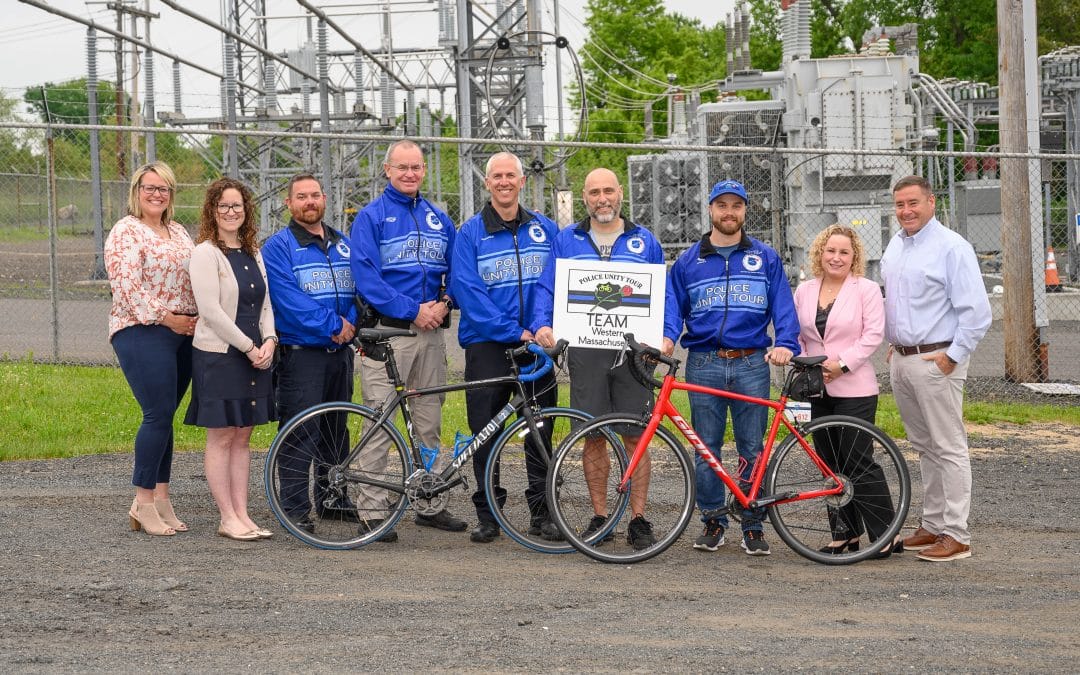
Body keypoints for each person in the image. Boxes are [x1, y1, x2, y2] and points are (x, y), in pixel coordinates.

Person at [662, 179, 798, 556]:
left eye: (736, 206)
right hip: (703, 362)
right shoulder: (689, 261)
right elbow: (673, 310)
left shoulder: (765, 257)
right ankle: (713, 519)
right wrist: (667, 338)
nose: (728, 212)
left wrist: (786, 343)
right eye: (721, 205)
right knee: (705, 447)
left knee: (752, 447)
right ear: (709, 209)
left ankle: (753, 522)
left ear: (744, 210)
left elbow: (783, 307)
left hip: (751, 363)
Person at [533, 167, 665, 551]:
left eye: (608, 190)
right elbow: (547, 287)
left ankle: (638, 518)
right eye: (594, 192)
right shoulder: (566, 240)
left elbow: (664, 293)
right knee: (592, 436)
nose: (602, 198)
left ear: (620, 193)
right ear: (585, 197)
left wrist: (667, 336)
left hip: (635, 353)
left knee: (635, 436)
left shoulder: (644, 240)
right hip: (586, 349)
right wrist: (543, 324)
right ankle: (600, 516)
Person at [350, 140, 466, 537]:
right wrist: (412, 308)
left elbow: (458, 271)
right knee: (379, 420)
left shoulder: (438, 217)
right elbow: (367, 279)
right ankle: (372, 510)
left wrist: (445, 302)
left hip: (432, 332)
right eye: (402, 167)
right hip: (390, 332)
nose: (410, 174)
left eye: (416, 167)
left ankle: (429, 500)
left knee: (428, 419)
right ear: (387, 170)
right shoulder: (371, 217)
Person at [450, 152, 559, 543]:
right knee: (485, 432)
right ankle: (488, 514)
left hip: (537, 347)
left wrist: (540, 328)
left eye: (510, 175)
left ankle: (543, 514)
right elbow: (468, 290)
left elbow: (556, 284)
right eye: (496, 176)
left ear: (523, 180)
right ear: (487, 183)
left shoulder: (546, 230)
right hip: (488, 346)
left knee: (541, 430)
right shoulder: (470, 233)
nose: (503, 182)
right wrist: (514, 330)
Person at [882, 175, 991, 562]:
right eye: (899, 205)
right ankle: (932, 524)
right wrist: (894, 345)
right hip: (903, 358)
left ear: (931, 202)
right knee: (925, 447)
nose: (906, 211)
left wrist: (952, 355)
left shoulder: (951, 248)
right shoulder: (897, 245)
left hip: (936, 359)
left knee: (949, 446)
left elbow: (977, 314)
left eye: (913, 203)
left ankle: (956, 534)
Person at [793, 223, 901, 557]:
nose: (836, 258)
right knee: (830, 463)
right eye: (830, 251)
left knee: (858, 460)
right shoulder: (805, 290)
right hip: (815, 386)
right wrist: (808, 365)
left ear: (854, 257)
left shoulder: (866, 289)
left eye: (844, 252)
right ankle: (844, 534)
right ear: (819, 254)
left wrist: (841, 364)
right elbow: (796, 334)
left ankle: (886, 534)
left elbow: (873, 335)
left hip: (854, 385)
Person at [262, 174, 358, 536]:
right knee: (302, 431)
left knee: (337, 430)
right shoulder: (278, 247)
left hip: (339, 353)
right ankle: (295, 509)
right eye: (301, 197)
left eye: (315, 195)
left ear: (325, 199)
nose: (309, 202)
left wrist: (349, 322)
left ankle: (333, 499)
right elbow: (288, 300)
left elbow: (358, 291)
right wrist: (333, 324)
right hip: (302, 354)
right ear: (289, 204)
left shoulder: (342, 243)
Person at [106, 161, 198, 537]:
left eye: (164, 188)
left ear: (171, 194)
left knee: (166, 416)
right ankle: (143, 502)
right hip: (142, 329)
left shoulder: (178, 232)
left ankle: (161, 499)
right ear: (137, 191)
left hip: (184, 332)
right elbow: (126, 286)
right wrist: (167, 318)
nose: (157, 194)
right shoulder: (126, 231)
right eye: (150, 187)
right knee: (156, 414)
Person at [184, 178, 277, 542]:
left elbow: (266, 302)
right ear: (212, 210)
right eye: (223, 206)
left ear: (246, 210)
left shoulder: (253, 250)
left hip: (254, 356)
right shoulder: (205, 253)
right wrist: (248, 347)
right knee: (222, 436)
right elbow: (210, 311)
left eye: (236, 205)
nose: (230, 212)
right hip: (221, 357)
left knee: (243, 436)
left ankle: (243, 513)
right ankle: (226, 517)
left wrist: (269, 339)